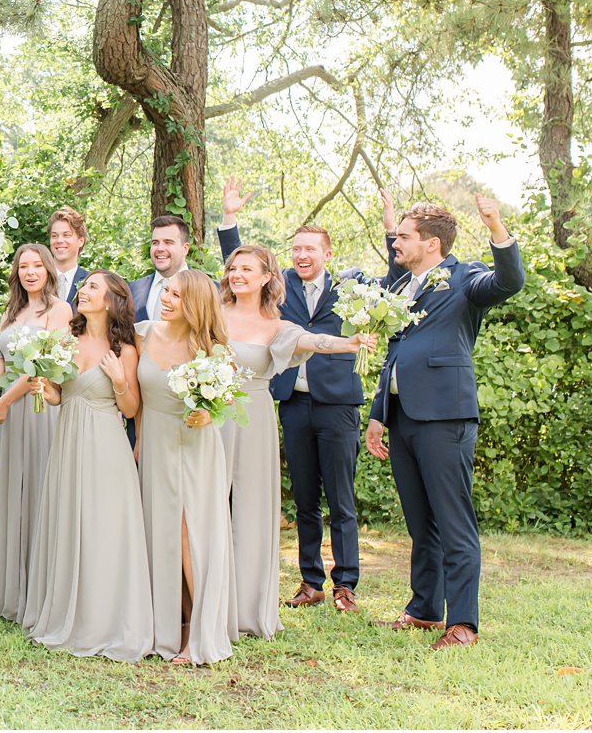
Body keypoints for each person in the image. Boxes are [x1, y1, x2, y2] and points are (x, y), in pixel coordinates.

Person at [217, 180, 397, 613]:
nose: (301, 255)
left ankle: (345, 583)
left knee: (340, 498)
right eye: (296, 249)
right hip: (290, 401)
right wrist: (229, 219)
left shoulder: (351, 288)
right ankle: (310, 580)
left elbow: (395, 277)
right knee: (303, 497)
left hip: (337, 402)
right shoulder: (279, 293)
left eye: (310, 249)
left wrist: (391, 228)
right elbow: (240, 273)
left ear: (326, 254)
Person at [366, 196, 524, 650]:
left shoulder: (465, 277)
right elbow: (394, 355)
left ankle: (464, 624)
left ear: (432, 243)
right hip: (403, 418)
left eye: (403, 236)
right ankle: (423, 610)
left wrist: (496, 224)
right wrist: (378, 416)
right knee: (421, 523)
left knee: (454, 522)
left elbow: (509, 282)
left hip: (445, 416)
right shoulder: (403, 288)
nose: (396, 241)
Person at [20, 270, 153, 661]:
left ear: (112, 300)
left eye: (93, 286)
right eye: (84, 285)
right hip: (67, 441)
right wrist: (46, 389)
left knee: (102, 526)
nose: (83, 290)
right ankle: (67, 613)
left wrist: (118, 381)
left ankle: (104, 618)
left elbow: (130, 411)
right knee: (70, 519)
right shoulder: (66, 340)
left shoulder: (125, 350)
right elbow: (61, 396)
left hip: (106, 444)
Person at [134, 269, 237, 665]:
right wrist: (140, 439)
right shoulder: (145, 333)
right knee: (159, 532)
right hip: (155, 443)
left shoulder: (213, 351)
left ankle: (199, 633)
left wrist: (209, 415)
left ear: (194, 304)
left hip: (194, 447)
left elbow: (225, 403)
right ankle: (176, 623)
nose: (166, 299)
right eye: (167, 292)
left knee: (187, 534)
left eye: (176, 296)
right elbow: (140, 399)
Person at [0, 243, 73, 624]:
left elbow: (40, 368)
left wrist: (3, 404)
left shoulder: (60, 311)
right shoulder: (12, 312)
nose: (30, 272)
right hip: (10, 417)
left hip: (39, 409)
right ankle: (11, 590)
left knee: (42, 494)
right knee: (13, 492)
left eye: (37, 265)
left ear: (48, 270)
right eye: (23, 266)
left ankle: (41, 594)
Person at [124, 214, 239, 452]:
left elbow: (229, 390)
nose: (160, 248)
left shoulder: (211, 292)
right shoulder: (132, 291)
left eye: (168, 242)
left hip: (192, 432)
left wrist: (209, 412)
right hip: (146, 427)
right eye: (155, 242)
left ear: (185, 248)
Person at [47, 207, 90, 308]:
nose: (59, 240)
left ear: (81, 241)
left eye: (66, 235)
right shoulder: (37, 279)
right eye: (54, 236)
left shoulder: (89, 282)